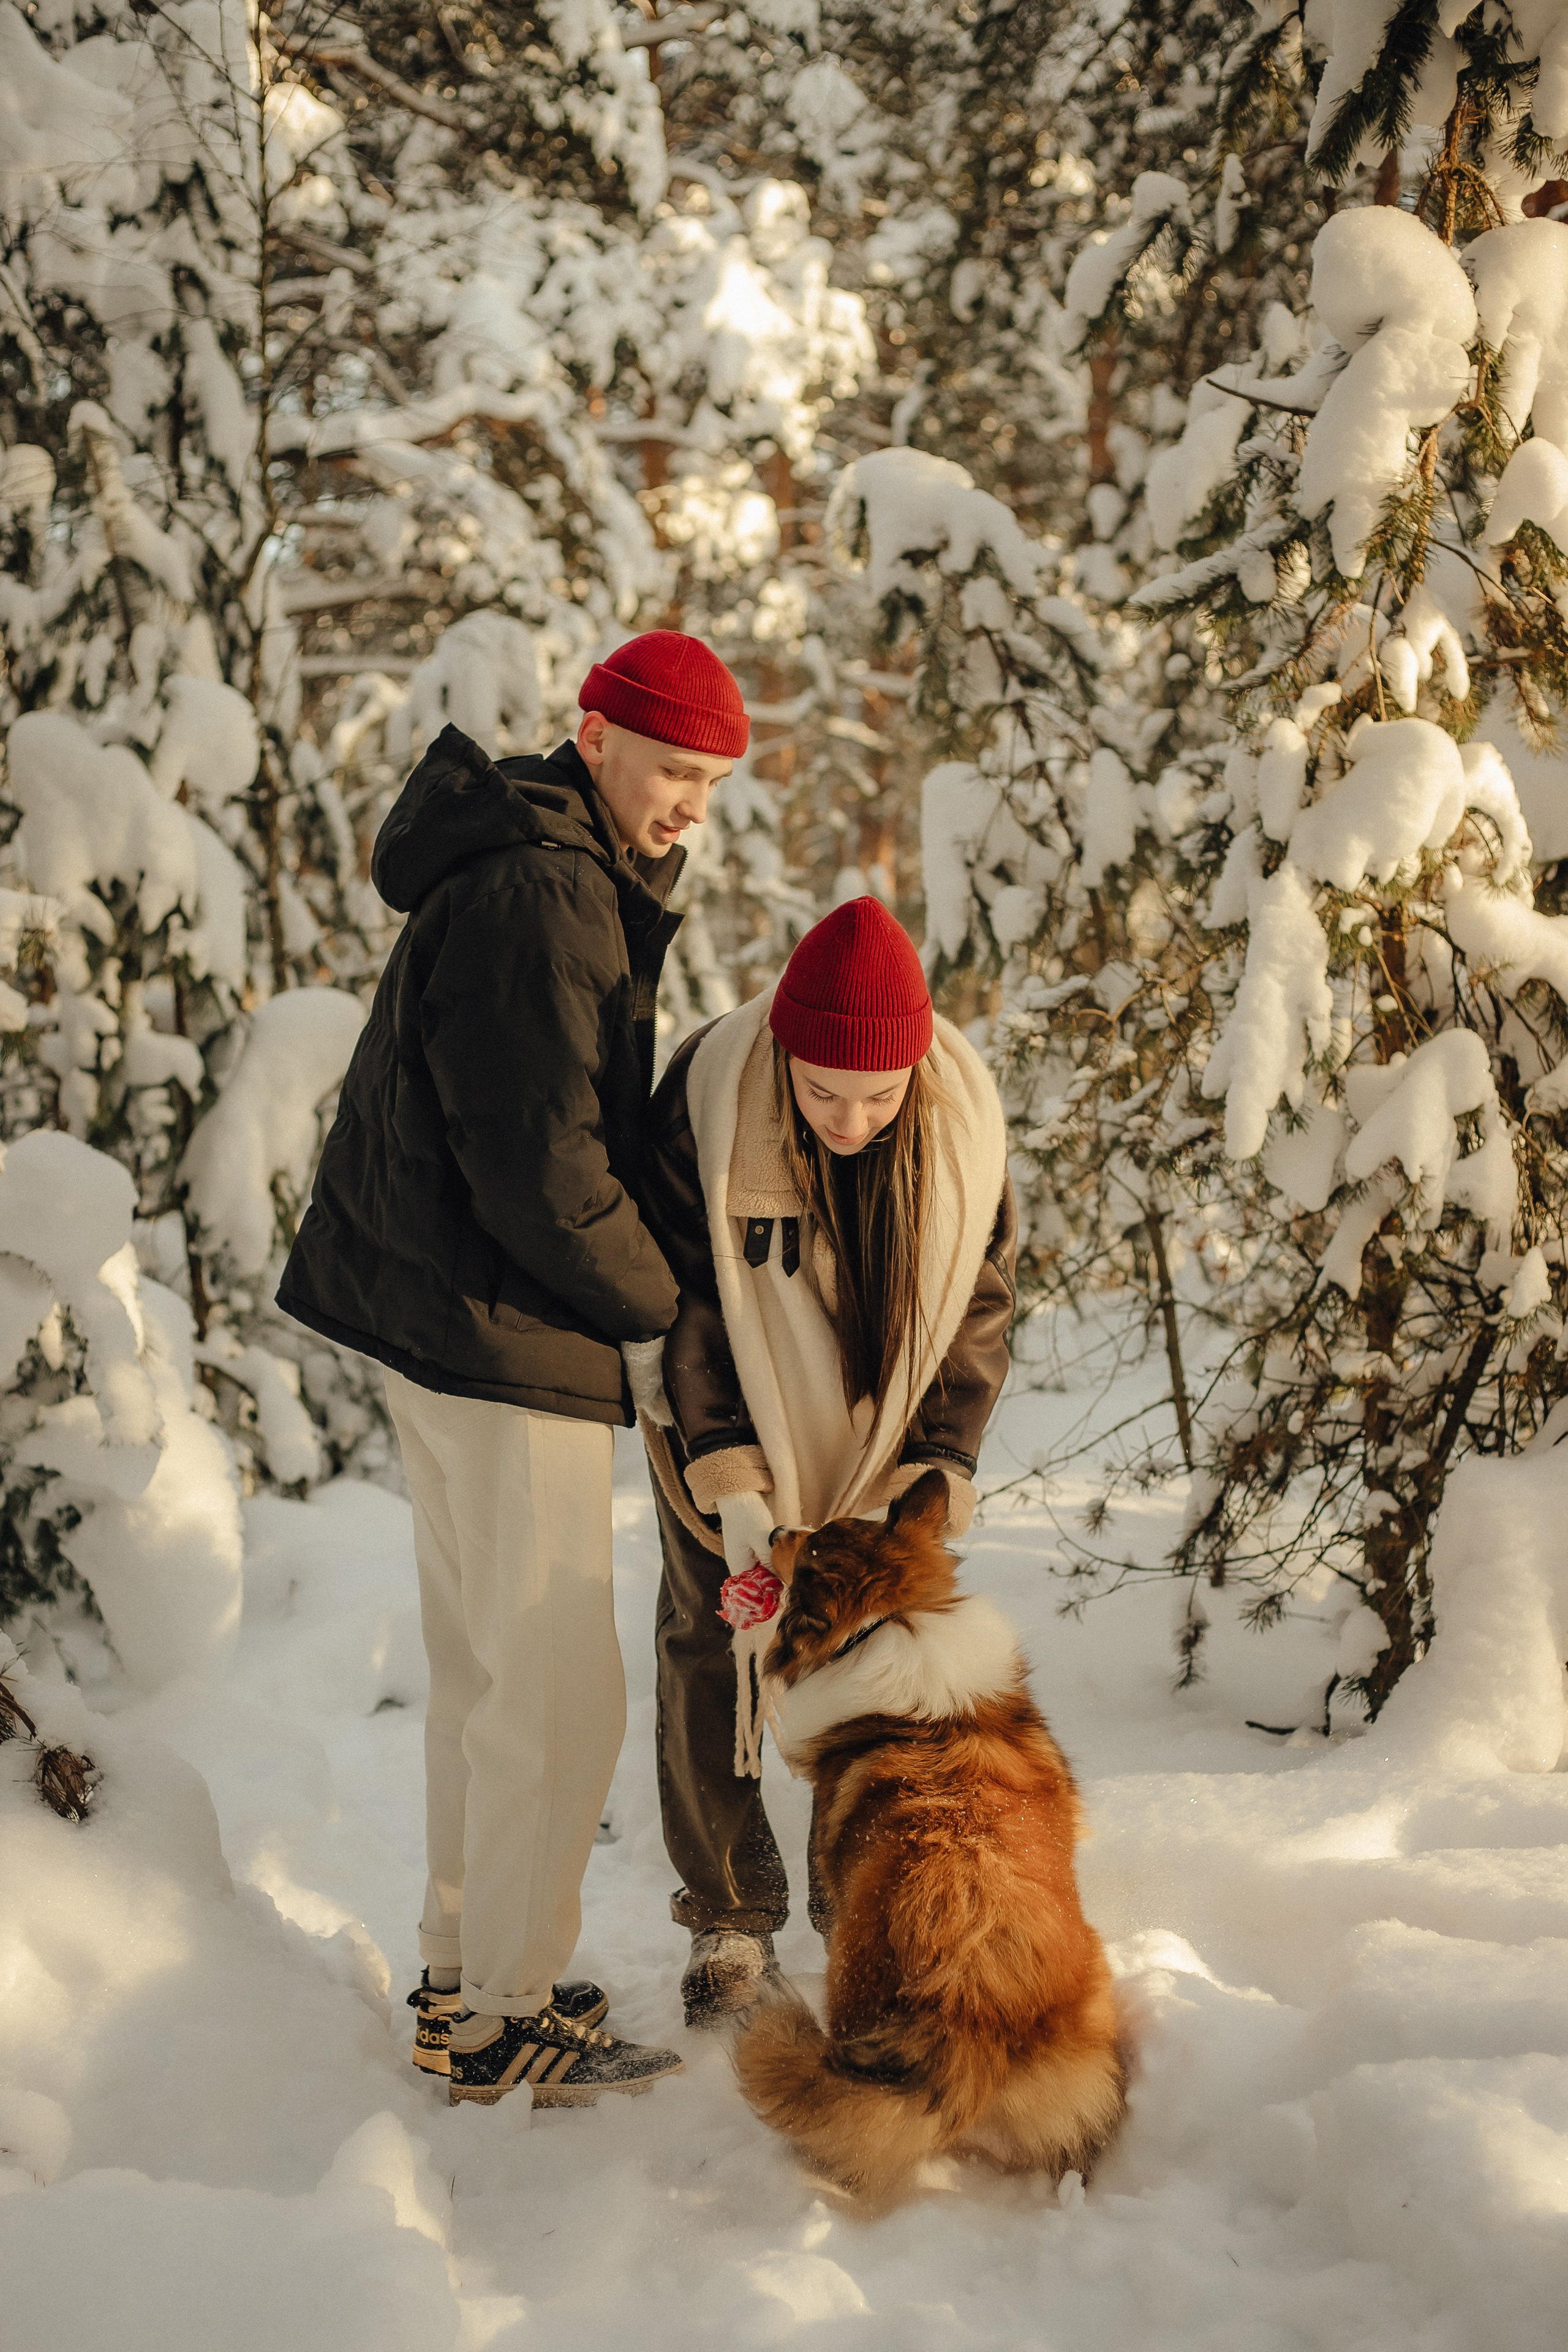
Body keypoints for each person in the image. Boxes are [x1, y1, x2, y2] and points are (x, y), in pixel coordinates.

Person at [277, 631, 748, 2106]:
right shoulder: (547, 891)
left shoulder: (542, 861)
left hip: (449, 1326)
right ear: (594, 734)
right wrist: (666, 1310)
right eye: (675, 769)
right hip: (495, 1336)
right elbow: (544, 1174)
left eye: (713, 783)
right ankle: (499, 2016)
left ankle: (461, 1985)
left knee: (490, 1673)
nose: (690, 806)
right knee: (550, 1693)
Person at [628, 895, 1017, 2027]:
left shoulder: (963, 1123)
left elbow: (979, 1301)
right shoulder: (710, 1095)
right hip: (719, 1420)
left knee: (872, 1649)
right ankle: (727, 1915)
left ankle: (859, 1896)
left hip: (879, 1441)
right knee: (712, 1635)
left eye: (878, 1098)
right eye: (823, 1093)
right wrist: (732, 1478)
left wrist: (939, 1460)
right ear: (784, 1056)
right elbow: (684, 1298)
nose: (851, 1121)